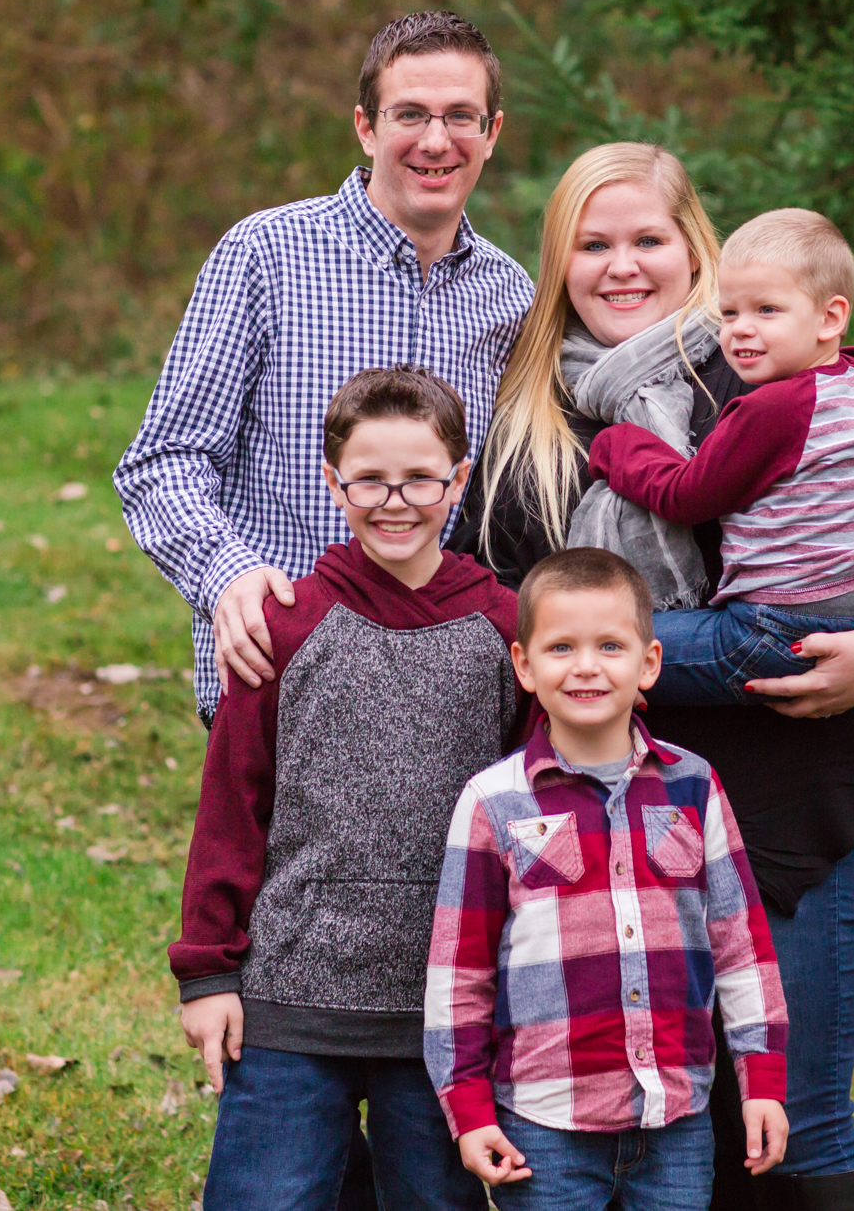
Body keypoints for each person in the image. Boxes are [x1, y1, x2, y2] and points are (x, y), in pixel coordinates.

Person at [448, 142, 854, 1209]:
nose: (621, 265)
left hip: (800, 776)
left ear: (696, 249)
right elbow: (491, 593)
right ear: (558, 262)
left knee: (799, 1114)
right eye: (592, 244)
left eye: (648, 239)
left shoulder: (767, 360)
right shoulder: (536, 410)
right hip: (620, 818)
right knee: (661, 1110)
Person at [115, 9, 533, 727]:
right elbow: (164, 461)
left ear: (492, 133)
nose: (436, 141)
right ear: (366, 127)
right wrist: (227, 577)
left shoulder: (509, 297)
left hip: (447, 701)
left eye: (460, 116)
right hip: (283, 680)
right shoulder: (266, 255)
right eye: (410, 114)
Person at [171, 367, 523, 1210]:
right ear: (333, 484)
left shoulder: (507, 628)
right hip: (290, 996)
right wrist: (208, 973)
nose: (395, 501)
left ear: (460, 479)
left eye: (420, 478)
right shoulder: (283, 625)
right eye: (369, 480)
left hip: (445, 1010)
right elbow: (232, 807)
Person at [425, 547, 790, 1210]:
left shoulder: (693, 785)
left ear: (649, 662)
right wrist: (469, 1108)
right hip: (544, 1125)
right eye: (561, 647)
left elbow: (742, 945)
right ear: (524, 665)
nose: (587, 665)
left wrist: (761, 1079)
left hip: (676, 1117)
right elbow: (459, 973)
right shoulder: (493, 801)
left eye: (610, 646)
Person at [588, 208, 854, 708]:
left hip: (771, 630)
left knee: (602, 652)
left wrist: (615, 443)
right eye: (729, 313)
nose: (741, 329)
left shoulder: (774, 408)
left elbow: (685, 497)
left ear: (830, 317)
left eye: (767, 310)